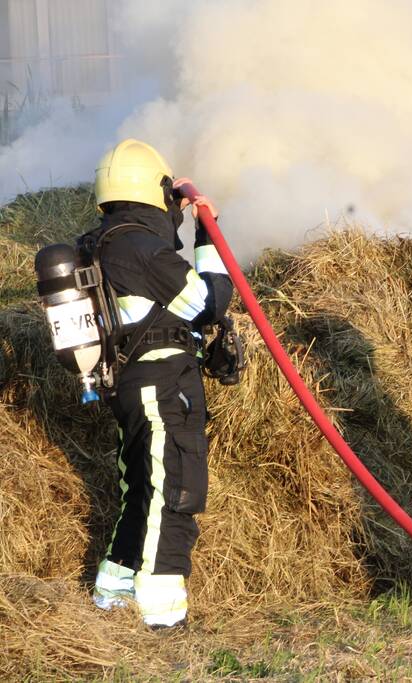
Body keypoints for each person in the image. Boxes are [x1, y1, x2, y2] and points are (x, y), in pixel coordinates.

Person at [85, 138, 233, 629]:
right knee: (174, 492)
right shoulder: (140, 248)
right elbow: (210, 301)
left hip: (134, 384)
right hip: (160, 387)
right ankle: (159, 616)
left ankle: (113, 599)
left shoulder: (103, 241)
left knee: (143, 493)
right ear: (156, 191)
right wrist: (207, 235)